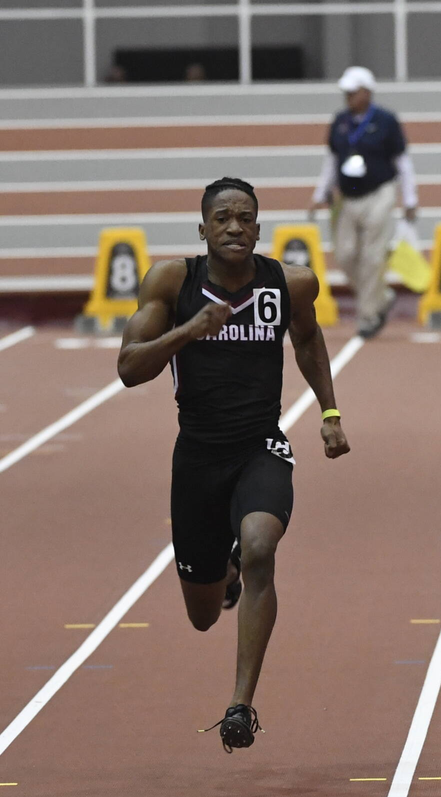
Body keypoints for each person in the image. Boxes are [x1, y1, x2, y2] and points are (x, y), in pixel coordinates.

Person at [117, 177, 350, 753]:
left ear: (259, 228)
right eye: (222, 218)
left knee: (261, 547)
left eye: (245, 218)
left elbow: (308, 339)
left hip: (259, 447)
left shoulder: (290, 283)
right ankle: (224, 572)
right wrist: (188, 330)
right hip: (197, 458)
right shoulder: (172, 282)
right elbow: (128, 368)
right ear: (202, 229)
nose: (234, 227)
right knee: (202, 616)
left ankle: (240, 706)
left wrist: (330, 412)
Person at [309, 66, 418, 339]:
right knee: (345, 255)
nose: (347, 96)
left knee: (372, 257)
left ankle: (368, 316)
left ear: (367, 92)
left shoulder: (386, 121)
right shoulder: (340, 122)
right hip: (347, 197)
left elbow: (402, 162)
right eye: (346, 91)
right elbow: (332, 160)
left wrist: (410, 198)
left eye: (353, 91)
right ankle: (381, 297)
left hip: (380, 192)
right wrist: (319, 194)